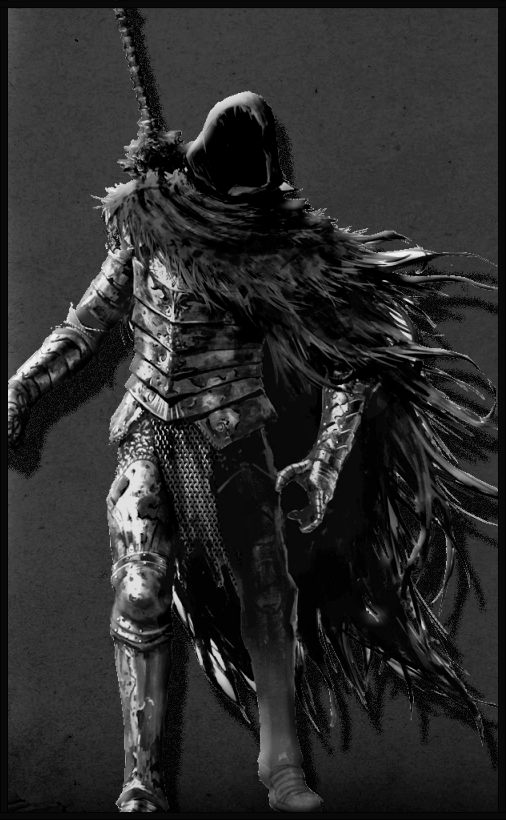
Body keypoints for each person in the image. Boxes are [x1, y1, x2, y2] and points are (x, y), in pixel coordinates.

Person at [8, 90, 497, 813]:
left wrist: (325, 464)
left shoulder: (281, 258)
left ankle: (282, 765)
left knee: (267, 596)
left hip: (233, 442)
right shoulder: (147, 229)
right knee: (139, 591)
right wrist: (21, 387)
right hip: (145, 435)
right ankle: (141, 777)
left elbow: (352, 364)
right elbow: (86, 324)